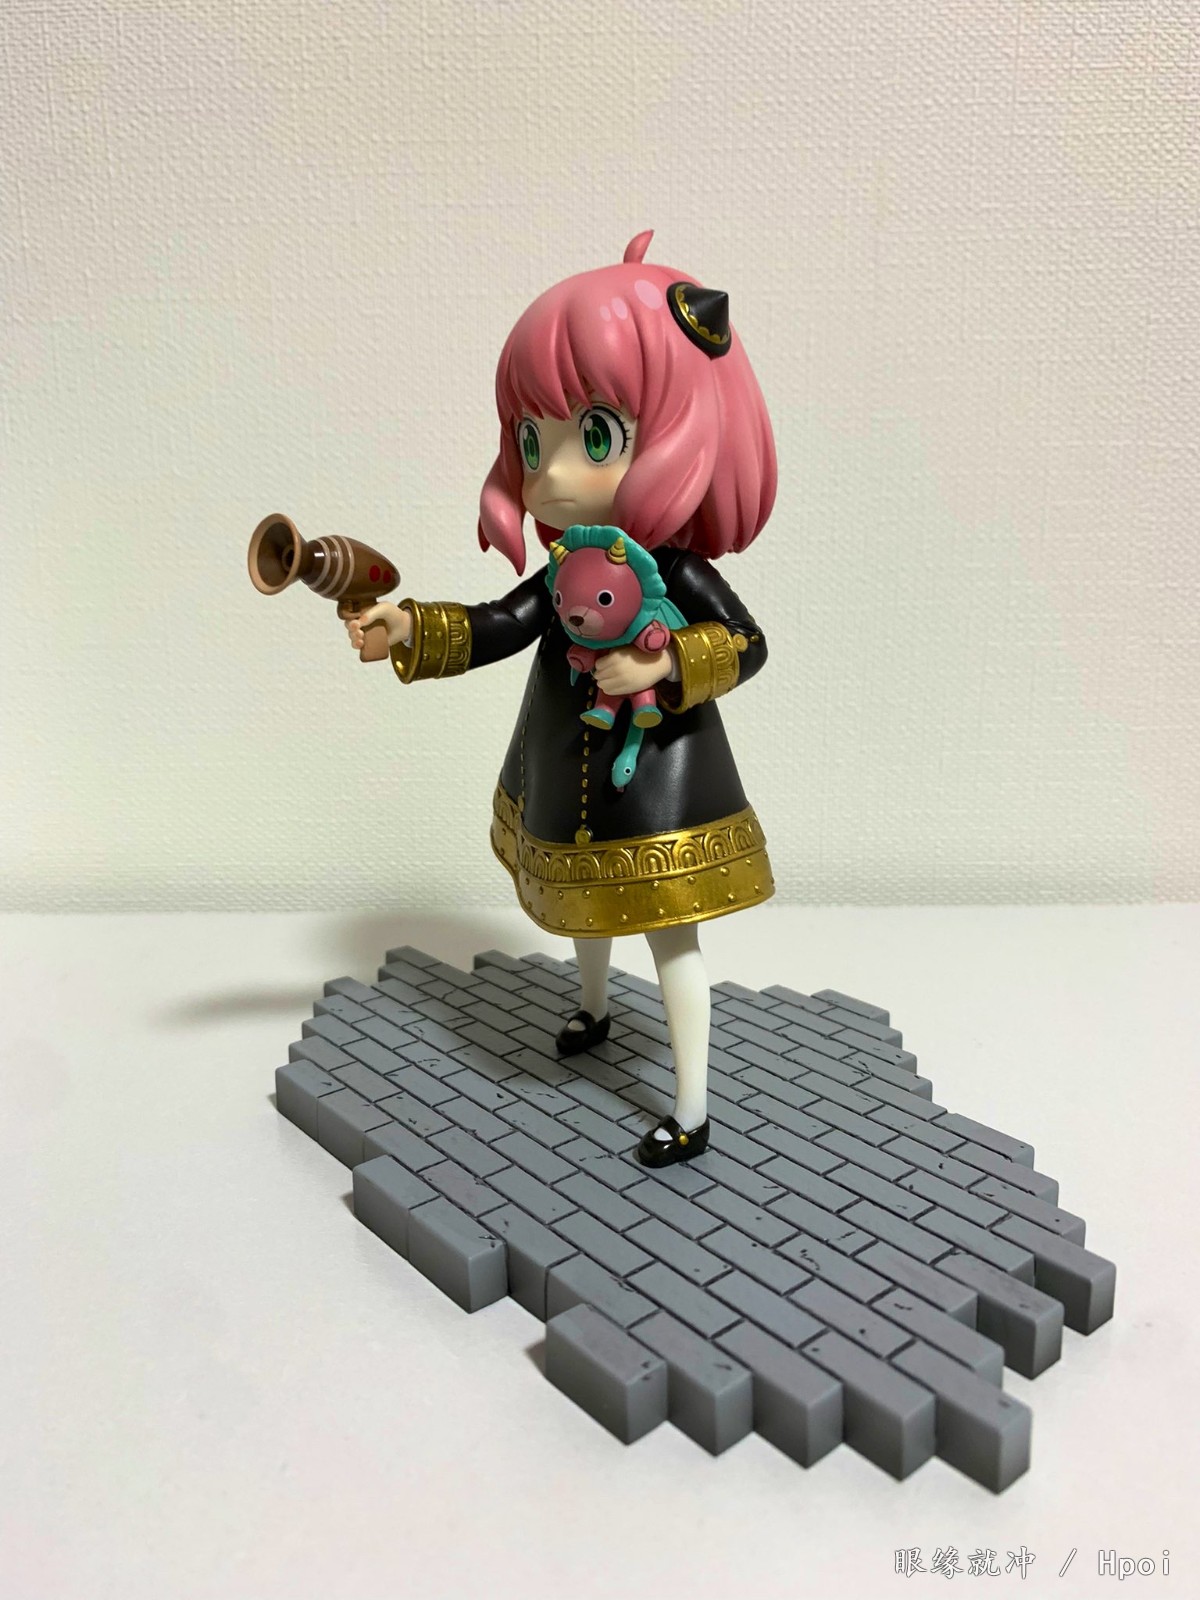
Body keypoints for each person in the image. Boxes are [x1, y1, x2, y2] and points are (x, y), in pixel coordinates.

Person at [349, 230, 777, 1167]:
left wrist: (664, 668)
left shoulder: (676, 569)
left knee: (670, 939)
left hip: (661, 781)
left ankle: (693, 1106)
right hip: (565, 761)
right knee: (587, 903)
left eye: (594, 435)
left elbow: (749, 643)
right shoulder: (563, 569)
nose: (548, 472)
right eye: (530, 439)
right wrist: (409, 630)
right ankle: (592, 1008)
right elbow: (501, 623)